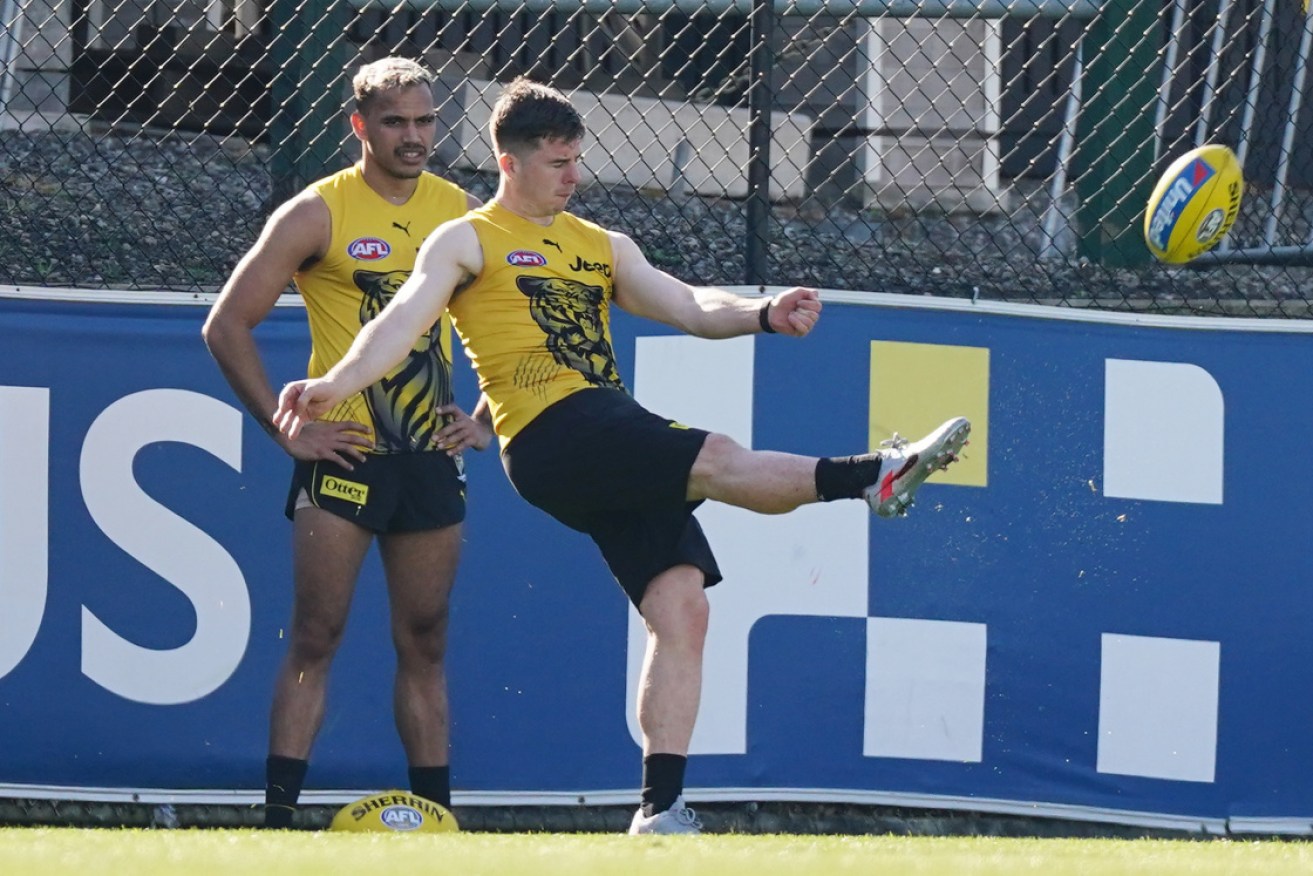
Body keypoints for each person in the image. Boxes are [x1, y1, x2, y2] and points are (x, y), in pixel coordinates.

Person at [273, 76, 970, 835]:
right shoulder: (468, 237)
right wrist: (336, 382)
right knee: (717, 457)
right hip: (552, 432)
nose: (573, 176)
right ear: (509, 163)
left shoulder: (601, 245)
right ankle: (874, 475)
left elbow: (690, 306)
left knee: (683, 609)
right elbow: (404, 320)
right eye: (555, 163)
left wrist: (763, 314)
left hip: (604, 428)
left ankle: (659, 809)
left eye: (576, 160)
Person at [202, 57, 492, 829]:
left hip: (430, 458)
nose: (413, 136)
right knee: (316, 634)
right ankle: (278, 820)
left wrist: (488, 415)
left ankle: (438, 823)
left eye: (425, 121)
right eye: (395, 121)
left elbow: (510, 327)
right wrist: (285, 429)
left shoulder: (461, 212)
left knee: (425, 640)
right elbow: (226, 325)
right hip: (347, 457)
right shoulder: (315, 213)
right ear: (358, 126)